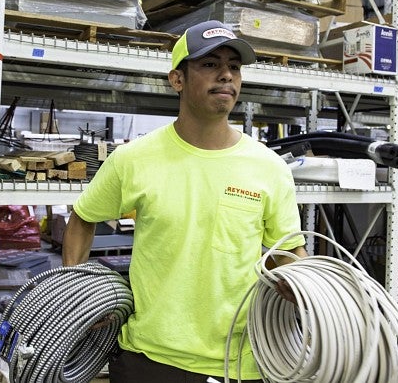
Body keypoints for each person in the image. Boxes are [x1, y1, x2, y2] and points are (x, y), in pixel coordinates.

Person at [62, 20, 307, 382]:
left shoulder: (269, 168)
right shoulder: (134, 159)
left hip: (239, 362)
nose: (226, 75)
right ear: (177, 80)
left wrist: (306, 285)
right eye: (210, 64)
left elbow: (287, 252)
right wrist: (75, 291)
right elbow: (83, 219)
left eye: (234, 67)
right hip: (149, 358)